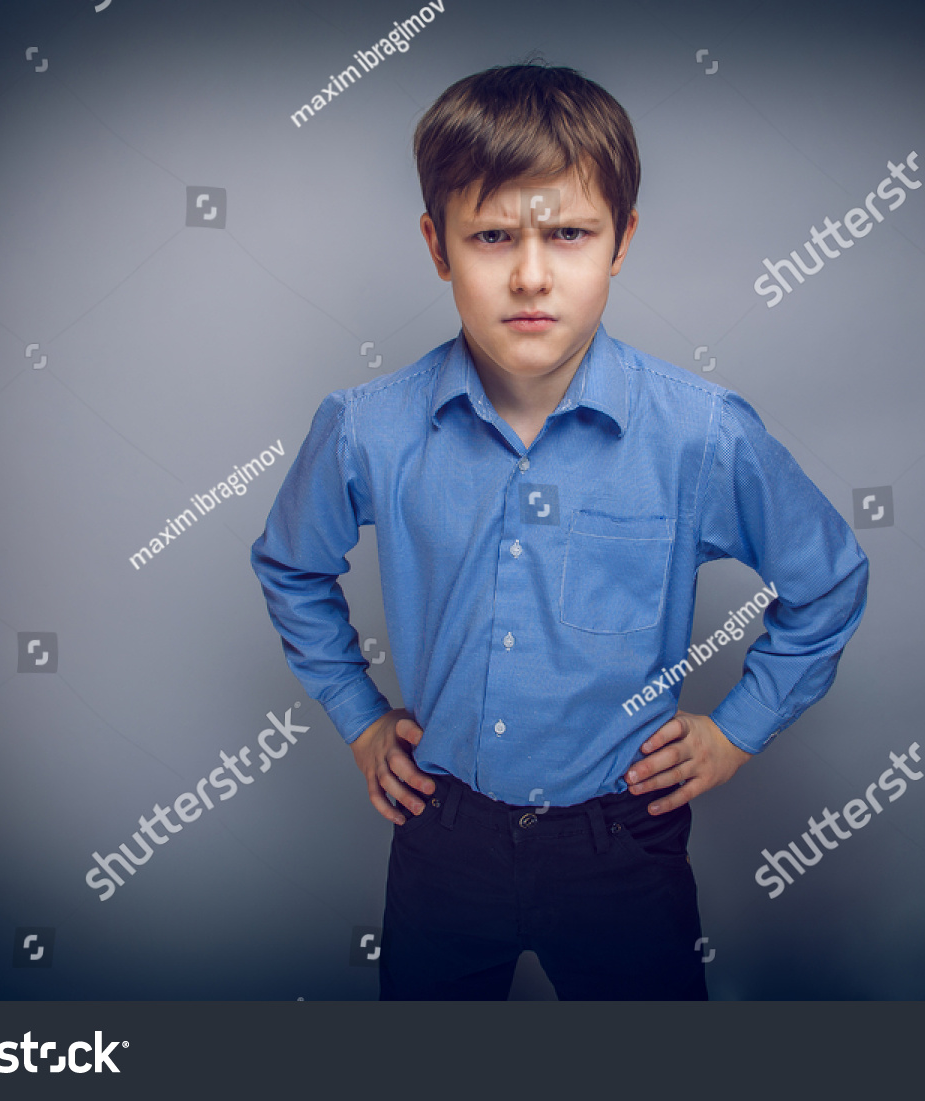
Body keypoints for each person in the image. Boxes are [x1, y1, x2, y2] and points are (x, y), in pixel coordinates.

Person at [251, 62, 868, 999]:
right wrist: (359, 718)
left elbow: (828, 578)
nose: (532, 274)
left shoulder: (701, 433)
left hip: (623, 841)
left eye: (570, 234)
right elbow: (292, 567)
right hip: (443, 836)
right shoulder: (366, 427)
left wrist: (739, 728)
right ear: (437, 244)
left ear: (620, 241)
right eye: (493, 235)